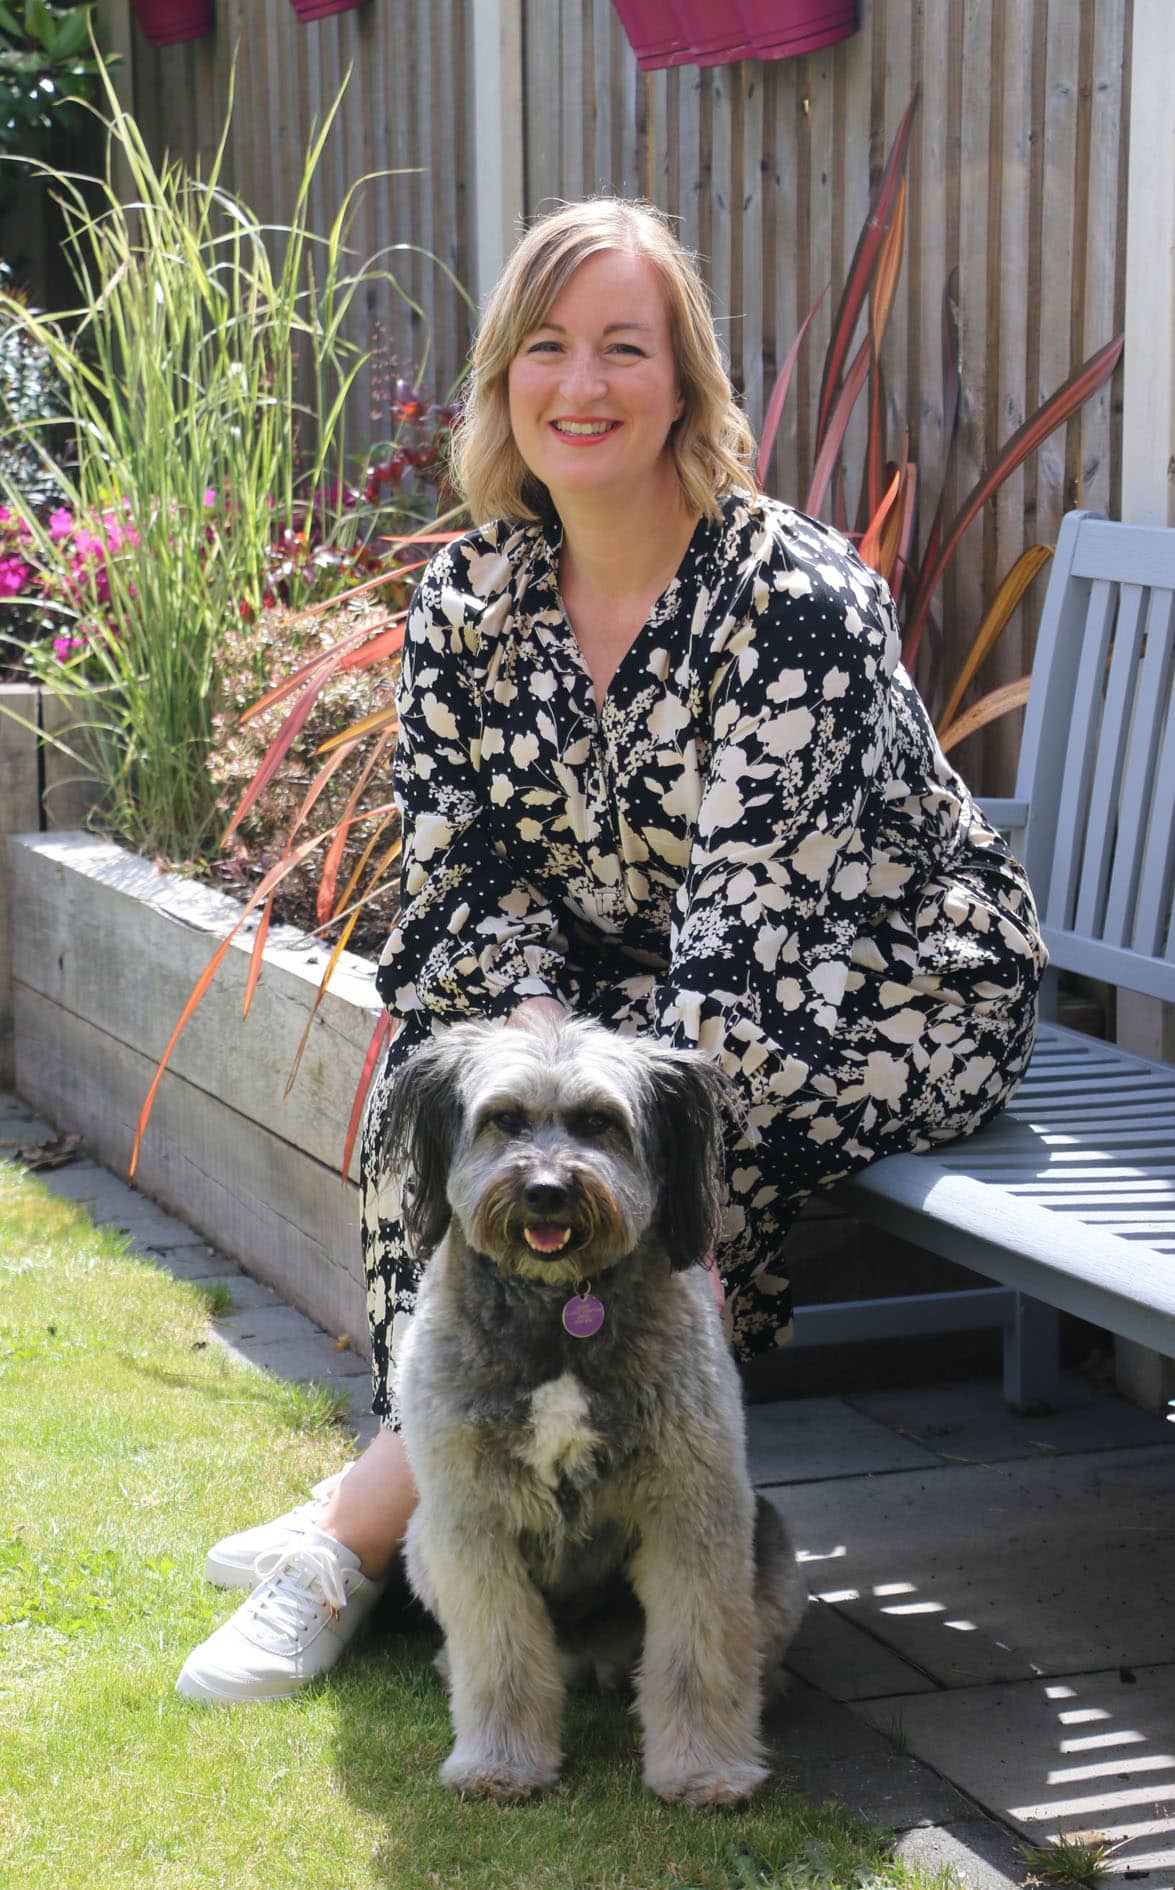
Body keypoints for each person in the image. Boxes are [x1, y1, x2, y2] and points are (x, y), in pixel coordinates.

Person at [177, 198, 1045, 1704]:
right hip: (617, 987)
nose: (581, 385)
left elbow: (747, 956)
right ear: (505, 380)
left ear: (687, 385)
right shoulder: (472, 601)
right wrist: (531, 1038)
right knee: (449, 1091)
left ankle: (357, 1535)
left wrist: (586, 1074)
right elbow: (459, 879)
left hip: (890, 976)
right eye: (548, 347)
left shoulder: (791, 603)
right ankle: (462, 1484)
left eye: (625, 349)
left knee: (688, 1117)